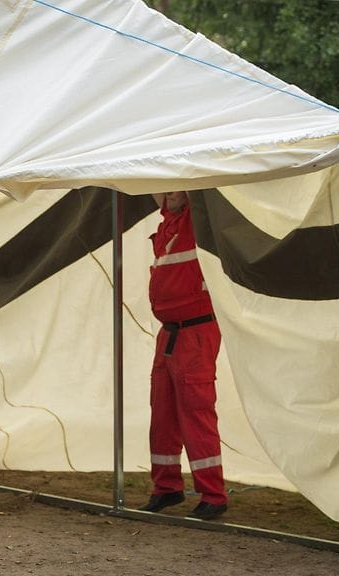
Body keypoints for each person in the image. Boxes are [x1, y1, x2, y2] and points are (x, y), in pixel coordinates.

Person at [140, 190, 227, 521]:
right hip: (169, 332)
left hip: (197, 331)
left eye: (179, 186)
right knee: (161, 413)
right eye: (166, 188)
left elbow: (204, 192)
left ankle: (213, 495)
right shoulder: (165, 226)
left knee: (196, 413)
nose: (172, 193)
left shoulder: (197, 220)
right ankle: (166, 489)